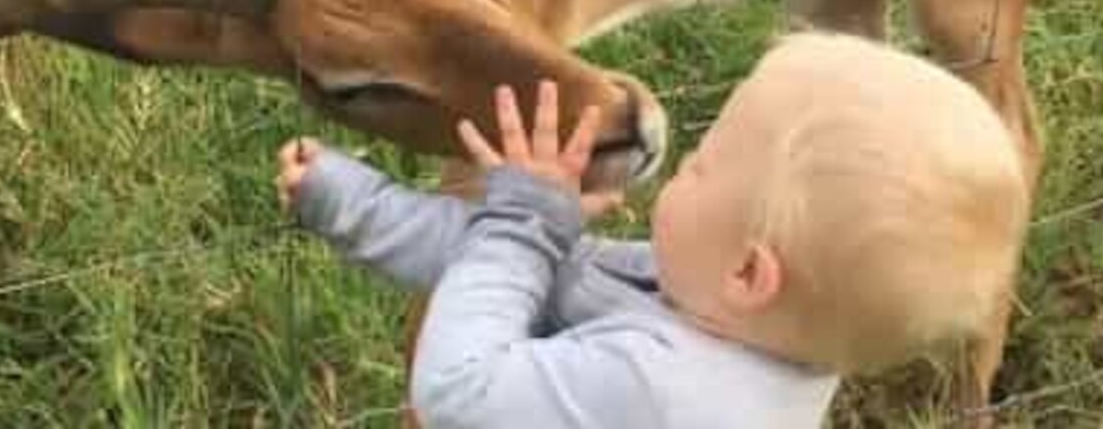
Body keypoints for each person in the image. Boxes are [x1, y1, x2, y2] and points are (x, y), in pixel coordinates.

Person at [274, 31, 1030, 428]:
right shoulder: (769, 331)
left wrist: (521, 225)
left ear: (748, 273)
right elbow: (514, 266)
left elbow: (455, 391)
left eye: (703, 164)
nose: (682, 166)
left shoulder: (669, 399)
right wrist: (348, 198)